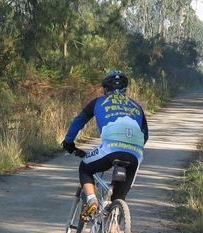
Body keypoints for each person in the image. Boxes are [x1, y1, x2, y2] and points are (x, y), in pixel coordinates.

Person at [62, 70, 149, 219]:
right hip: (135, 154)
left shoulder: (99, 102)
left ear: (105, 89)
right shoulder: (136, 106)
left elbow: (78, 121)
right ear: (125, 89)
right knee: (119, 198)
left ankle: (92, 200)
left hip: (110, 149)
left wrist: (68, 143)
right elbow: (145, 135)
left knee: (85, 168)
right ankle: (114, 228)